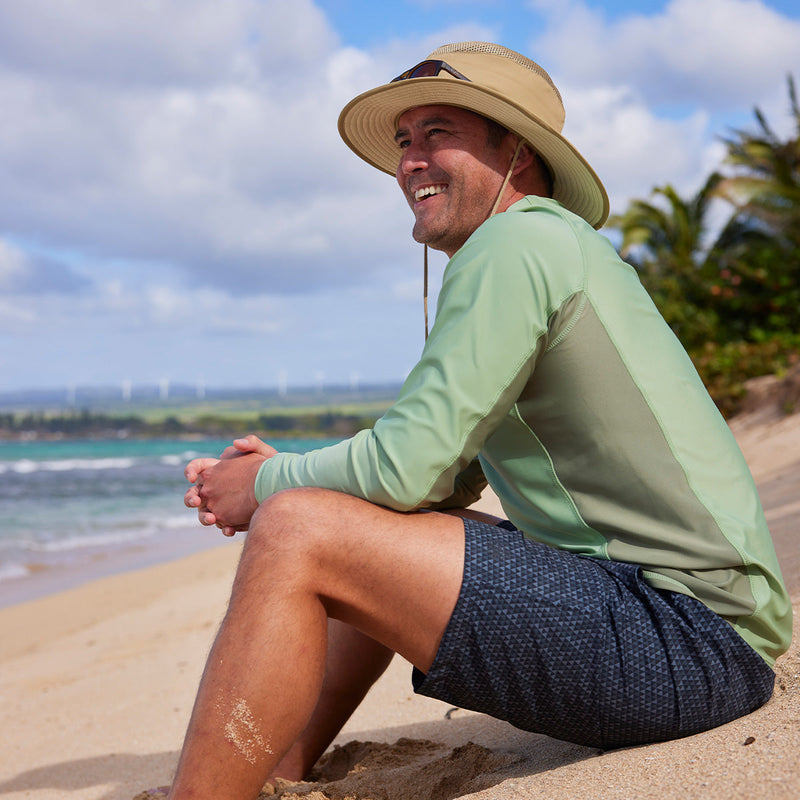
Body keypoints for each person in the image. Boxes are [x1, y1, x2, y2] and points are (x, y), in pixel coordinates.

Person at [172, 42, 792, 799]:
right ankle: (274, 773)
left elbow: (405, 468)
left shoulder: (516, 242)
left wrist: (263, 484)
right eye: (404, 141)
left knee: (299, 527)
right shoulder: (546, 246)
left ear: (518, 150)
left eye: (438, 133)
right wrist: (288, 476)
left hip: (686, 644)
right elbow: (430, 481)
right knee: (330, 517)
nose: (410, 162)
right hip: (692, 637)